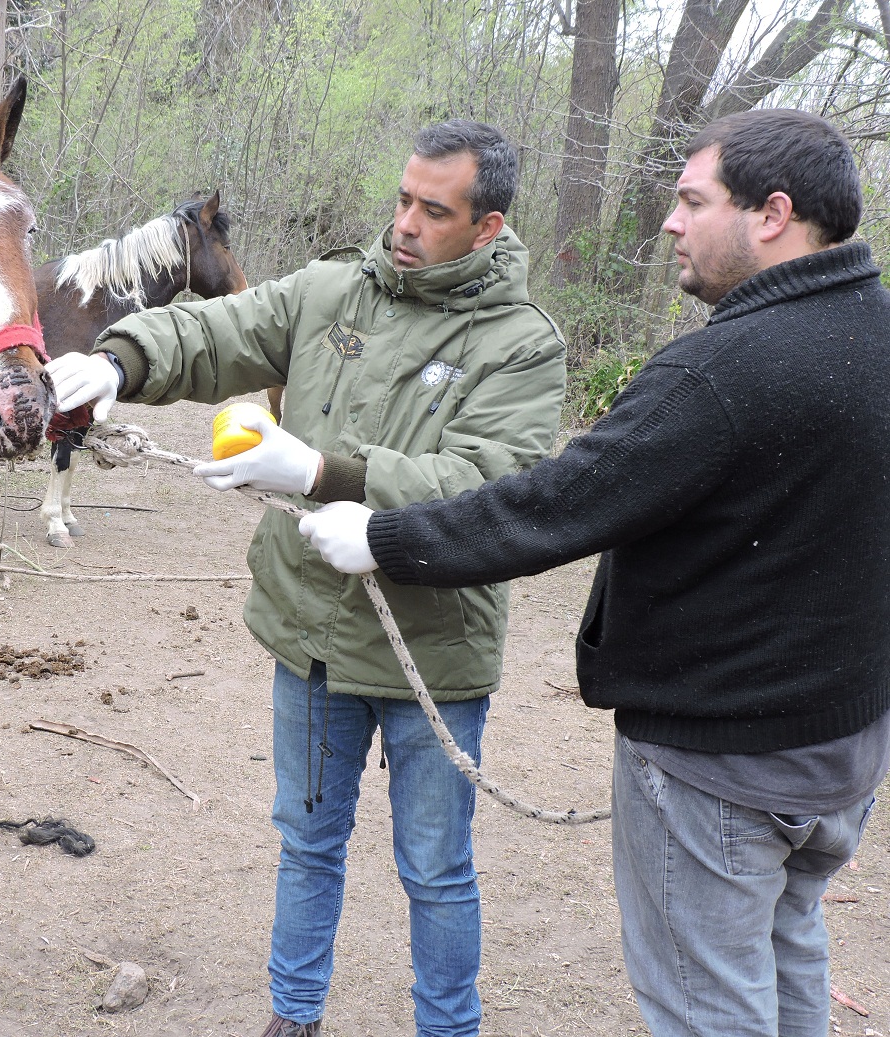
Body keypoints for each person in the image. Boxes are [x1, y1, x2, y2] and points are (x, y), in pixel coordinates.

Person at [299, 109, 890, 1037]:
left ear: (771, 214)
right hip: (842, 755)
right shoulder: (873, 326)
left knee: (710, 1007)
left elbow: (553, 503)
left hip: (721, 764)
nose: (669, 222)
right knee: (787, 950)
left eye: (692, 201)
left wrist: (383, 538)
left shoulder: (720, 371)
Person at [47, 122, 566, 1037]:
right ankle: (294, 1017)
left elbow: (493, 483)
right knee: (307, 847)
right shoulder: (333, 288)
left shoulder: (522, 344)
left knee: (436, 868)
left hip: (432, 657)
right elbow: (213, 330)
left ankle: (447, 1029)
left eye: (432, 210)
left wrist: (325, 473)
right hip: (313, 639)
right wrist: (116, 359)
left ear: (485, 228)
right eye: (402, 198)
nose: (403, 223)